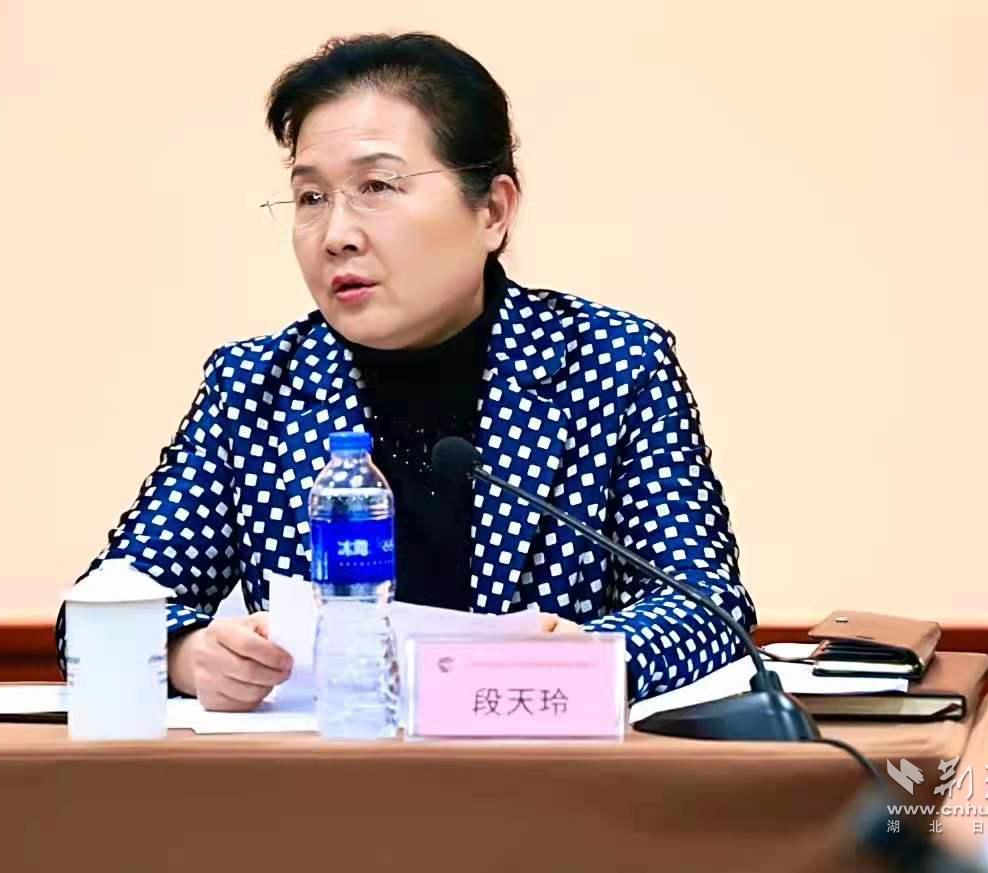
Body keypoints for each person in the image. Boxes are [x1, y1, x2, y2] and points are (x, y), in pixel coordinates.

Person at [55, 32, 757, 711]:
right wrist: (187, 655)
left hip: (541, 773)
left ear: (493, 210)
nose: (337, 234)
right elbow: (99, 607)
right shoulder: (255, 386)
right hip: (329, 780)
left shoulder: (610, 363)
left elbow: (708, 605)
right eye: (311, 198)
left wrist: (595, 657)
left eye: (378, 186)